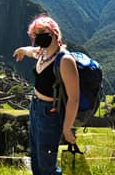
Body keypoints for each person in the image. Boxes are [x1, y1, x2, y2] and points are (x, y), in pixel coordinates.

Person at [13, 14, 79, 175]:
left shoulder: (65, 60)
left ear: (54, 32)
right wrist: (22, 50)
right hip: (35, 108)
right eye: (35, 34)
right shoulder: (42, 53)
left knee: (47, 164)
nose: (38, 37)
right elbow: (31, 52)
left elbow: (74, 98)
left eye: (42, 31)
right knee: (36, 157)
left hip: (50, 113)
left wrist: (67, 128)